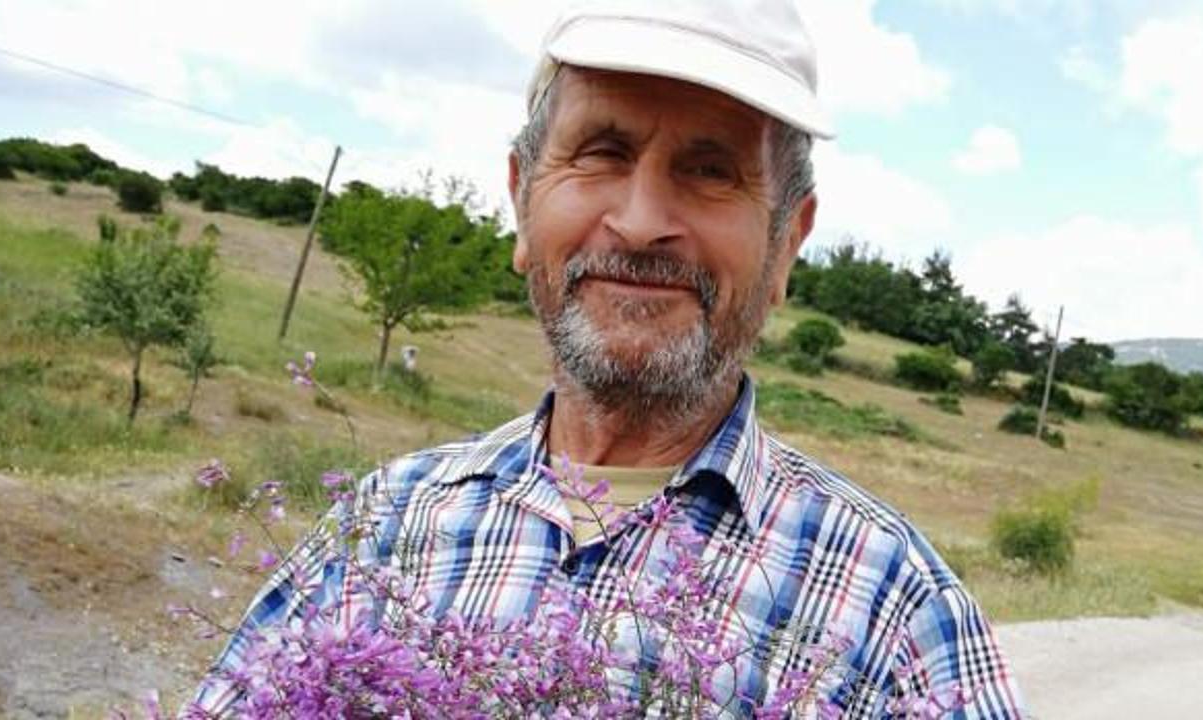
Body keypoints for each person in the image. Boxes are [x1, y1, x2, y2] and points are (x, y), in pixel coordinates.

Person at [193, 1, 1026, 716]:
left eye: (711, 170)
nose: (639, 221)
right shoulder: (382, 529)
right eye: (601, 152)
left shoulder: (897, 606)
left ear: (785, 247)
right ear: (522, 199)